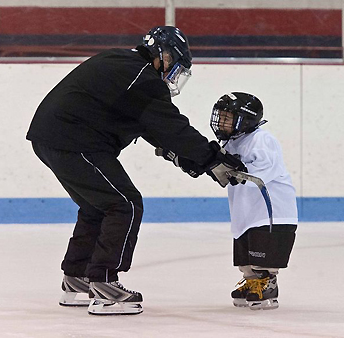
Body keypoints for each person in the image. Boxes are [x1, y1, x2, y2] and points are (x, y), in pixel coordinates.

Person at [26, 26, 247, 315]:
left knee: (98, 207)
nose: (173, 75)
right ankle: (104, 285)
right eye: (174, 66)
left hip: (51, 138)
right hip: (74, 141)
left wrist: (197, 162)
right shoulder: (143, 78)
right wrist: (212, 157)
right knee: (124, 204)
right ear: (163, 56)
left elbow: (153, 128)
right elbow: (170, 127)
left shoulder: (124, 65)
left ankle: (77, 278)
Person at [210, 92, 298, 310]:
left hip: (272, 210)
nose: (221, 122)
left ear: (246, 119)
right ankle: (251, 280)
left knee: (263, 253)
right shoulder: (231, 142)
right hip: (247, 210)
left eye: (227, 118)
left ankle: (267, 283)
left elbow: (261, 172)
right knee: (244, 254)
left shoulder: (262, 139)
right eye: (220, 117)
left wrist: (229, 166)